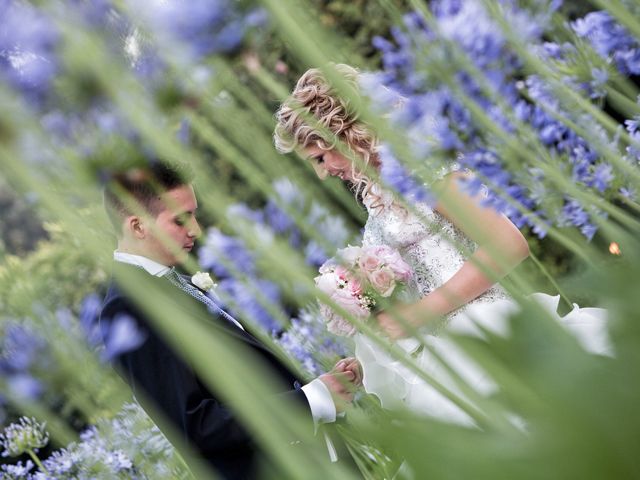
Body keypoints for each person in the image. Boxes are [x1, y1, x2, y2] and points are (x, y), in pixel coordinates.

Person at [273, 64, 612, 425]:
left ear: (341, 134)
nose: (322, 173)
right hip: (443, 353)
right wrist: (366, 359)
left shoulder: (421, 168)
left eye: (320, 158)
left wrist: (418, 315)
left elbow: (508, 243)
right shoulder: (380, 193)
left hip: (486, 334)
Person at [99, 161, 362, 478]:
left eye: (194, 214)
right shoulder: (130, 308)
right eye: (180, 220)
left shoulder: (172, 278)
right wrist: (310, 401)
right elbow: (196, 425)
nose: (196, 229)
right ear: (138, 226)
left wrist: (321, 387)